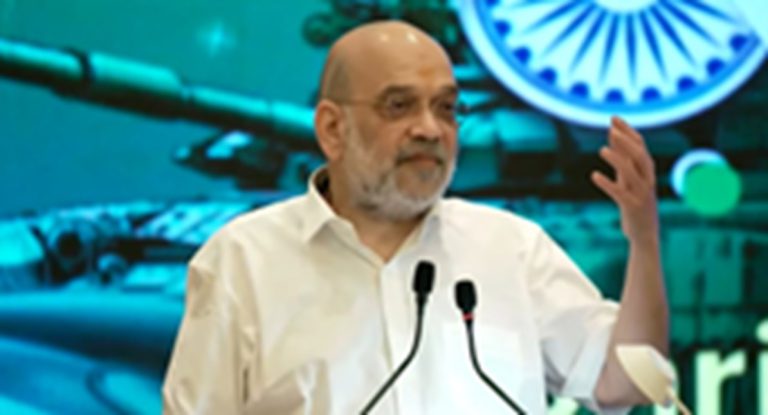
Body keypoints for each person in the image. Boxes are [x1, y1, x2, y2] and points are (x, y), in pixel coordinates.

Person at [162, 20, 669, 414]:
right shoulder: (243, 259)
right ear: (332, 129)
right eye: (399, 105)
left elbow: (623, 382)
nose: (429, 129)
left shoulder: (510, 248)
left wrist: (644, 241)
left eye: (446, 109)